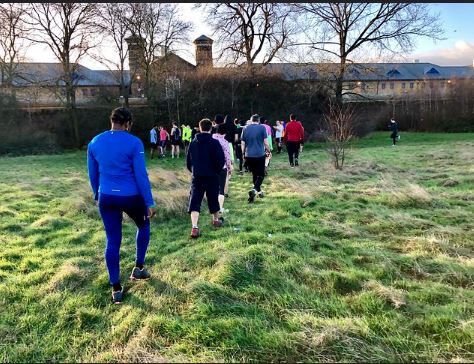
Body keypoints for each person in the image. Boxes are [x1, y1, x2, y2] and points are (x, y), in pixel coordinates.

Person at [87, 107, 157, 305]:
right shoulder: (134, 142)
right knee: (143, 226)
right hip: (131, 196)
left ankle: (116, 288)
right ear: (128, 123)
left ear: (112, 121)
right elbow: (141, 175)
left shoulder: (95, 141)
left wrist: (96, 193)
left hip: (106, 196)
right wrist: (149, 201)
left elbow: (93, 174)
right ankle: (139, 268)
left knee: (112, 240)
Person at [187, 118, 226, 238]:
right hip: (212, 175)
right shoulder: (215, 143)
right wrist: (217, 171)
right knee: (213, 198)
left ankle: (194, 227)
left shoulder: (193, 143)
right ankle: (215, 220)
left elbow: (188, 162)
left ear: (200, 127)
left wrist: (194, 171)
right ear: (211, 128)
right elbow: (221, 160)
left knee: (195, 200)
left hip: (197, 176)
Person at [241, 114, 272, 203]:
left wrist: (243, 153)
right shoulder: (262, 128)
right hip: (259, 154)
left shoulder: (245, 128)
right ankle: (254, 190)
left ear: (251, 120)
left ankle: (255, 195)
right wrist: (268, 150)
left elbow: (243, 143)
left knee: (255, 174)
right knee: (261, 174)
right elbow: (266, 142)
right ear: (258, 120)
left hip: (248, 155)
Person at [213, 123, 233, 219]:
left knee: (212, 188)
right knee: (221, 188)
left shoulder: (211, 139)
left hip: (210, 168)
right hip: (222, 167)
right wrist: (229, 168)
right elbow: (227, 157)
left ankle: (212, 208)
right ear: (225, 132)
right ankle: (220, 208)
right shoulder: (224, 142)